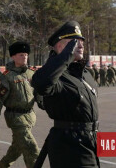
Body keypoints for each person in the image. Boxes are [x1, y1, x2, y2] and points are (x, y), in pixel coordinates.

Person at [32, 21, 99, 168]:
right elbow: (41, 83)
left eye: (81, 41)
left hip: (91, 140)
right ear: (60, 47)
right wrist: (65, 57)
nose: (80, 45)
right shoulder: (57, 75)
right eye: (74, 42)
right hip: (69, 145)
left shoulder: (85, 74)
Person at [0, 41, 39, 168]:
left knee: (16, 149)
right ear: (13, 57)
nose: (24, 57)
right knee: (32, 150)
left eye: (26, 54)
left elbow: (38, 91)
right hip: (15, 117)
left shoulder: (31, 73)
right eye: (21, 55)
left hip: (29, 116)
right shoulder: (7, 76)